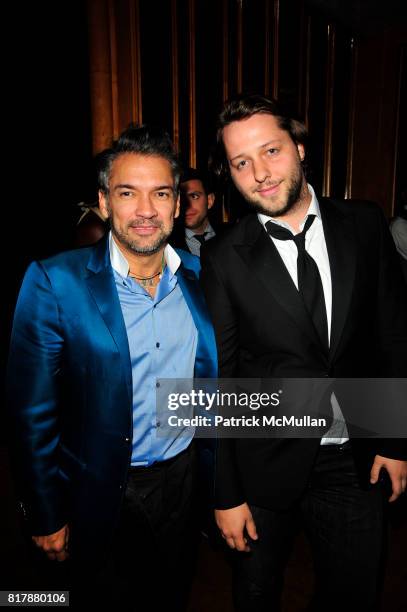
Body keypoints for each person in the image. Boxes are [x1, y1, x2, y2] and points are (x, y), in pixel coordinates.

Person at [200, 94, 407, 611]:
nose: (259, 173)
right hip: (263, 462)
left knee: (354, 593)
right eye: (240, 162)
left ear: (298, 146)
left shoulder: (364, 224)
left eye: (270, 151)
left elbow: (391, 335)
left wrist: (394, 439)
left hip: (352, 457)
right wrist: (225, 492)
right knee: (256, 596)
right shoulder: (224, 255)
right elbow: (220, 380)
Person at [7, 124, 217, 610]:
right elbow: (29, 413)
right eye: (128, 193)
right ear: (104, 203)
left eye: (160, 193)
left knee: (172, 593)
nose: (145, 211)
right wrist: (44, 512)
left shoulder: (203, 277)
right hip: (99, 491)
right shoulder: (54, 281)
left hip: (184, 484)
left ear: (177, 204)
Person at [172, 167, 223, 256]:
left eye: (194, 196)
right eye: (182, 198)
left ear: (210, 201)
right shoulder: (168, 246)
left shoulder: (233, 236)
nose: (187, 205)